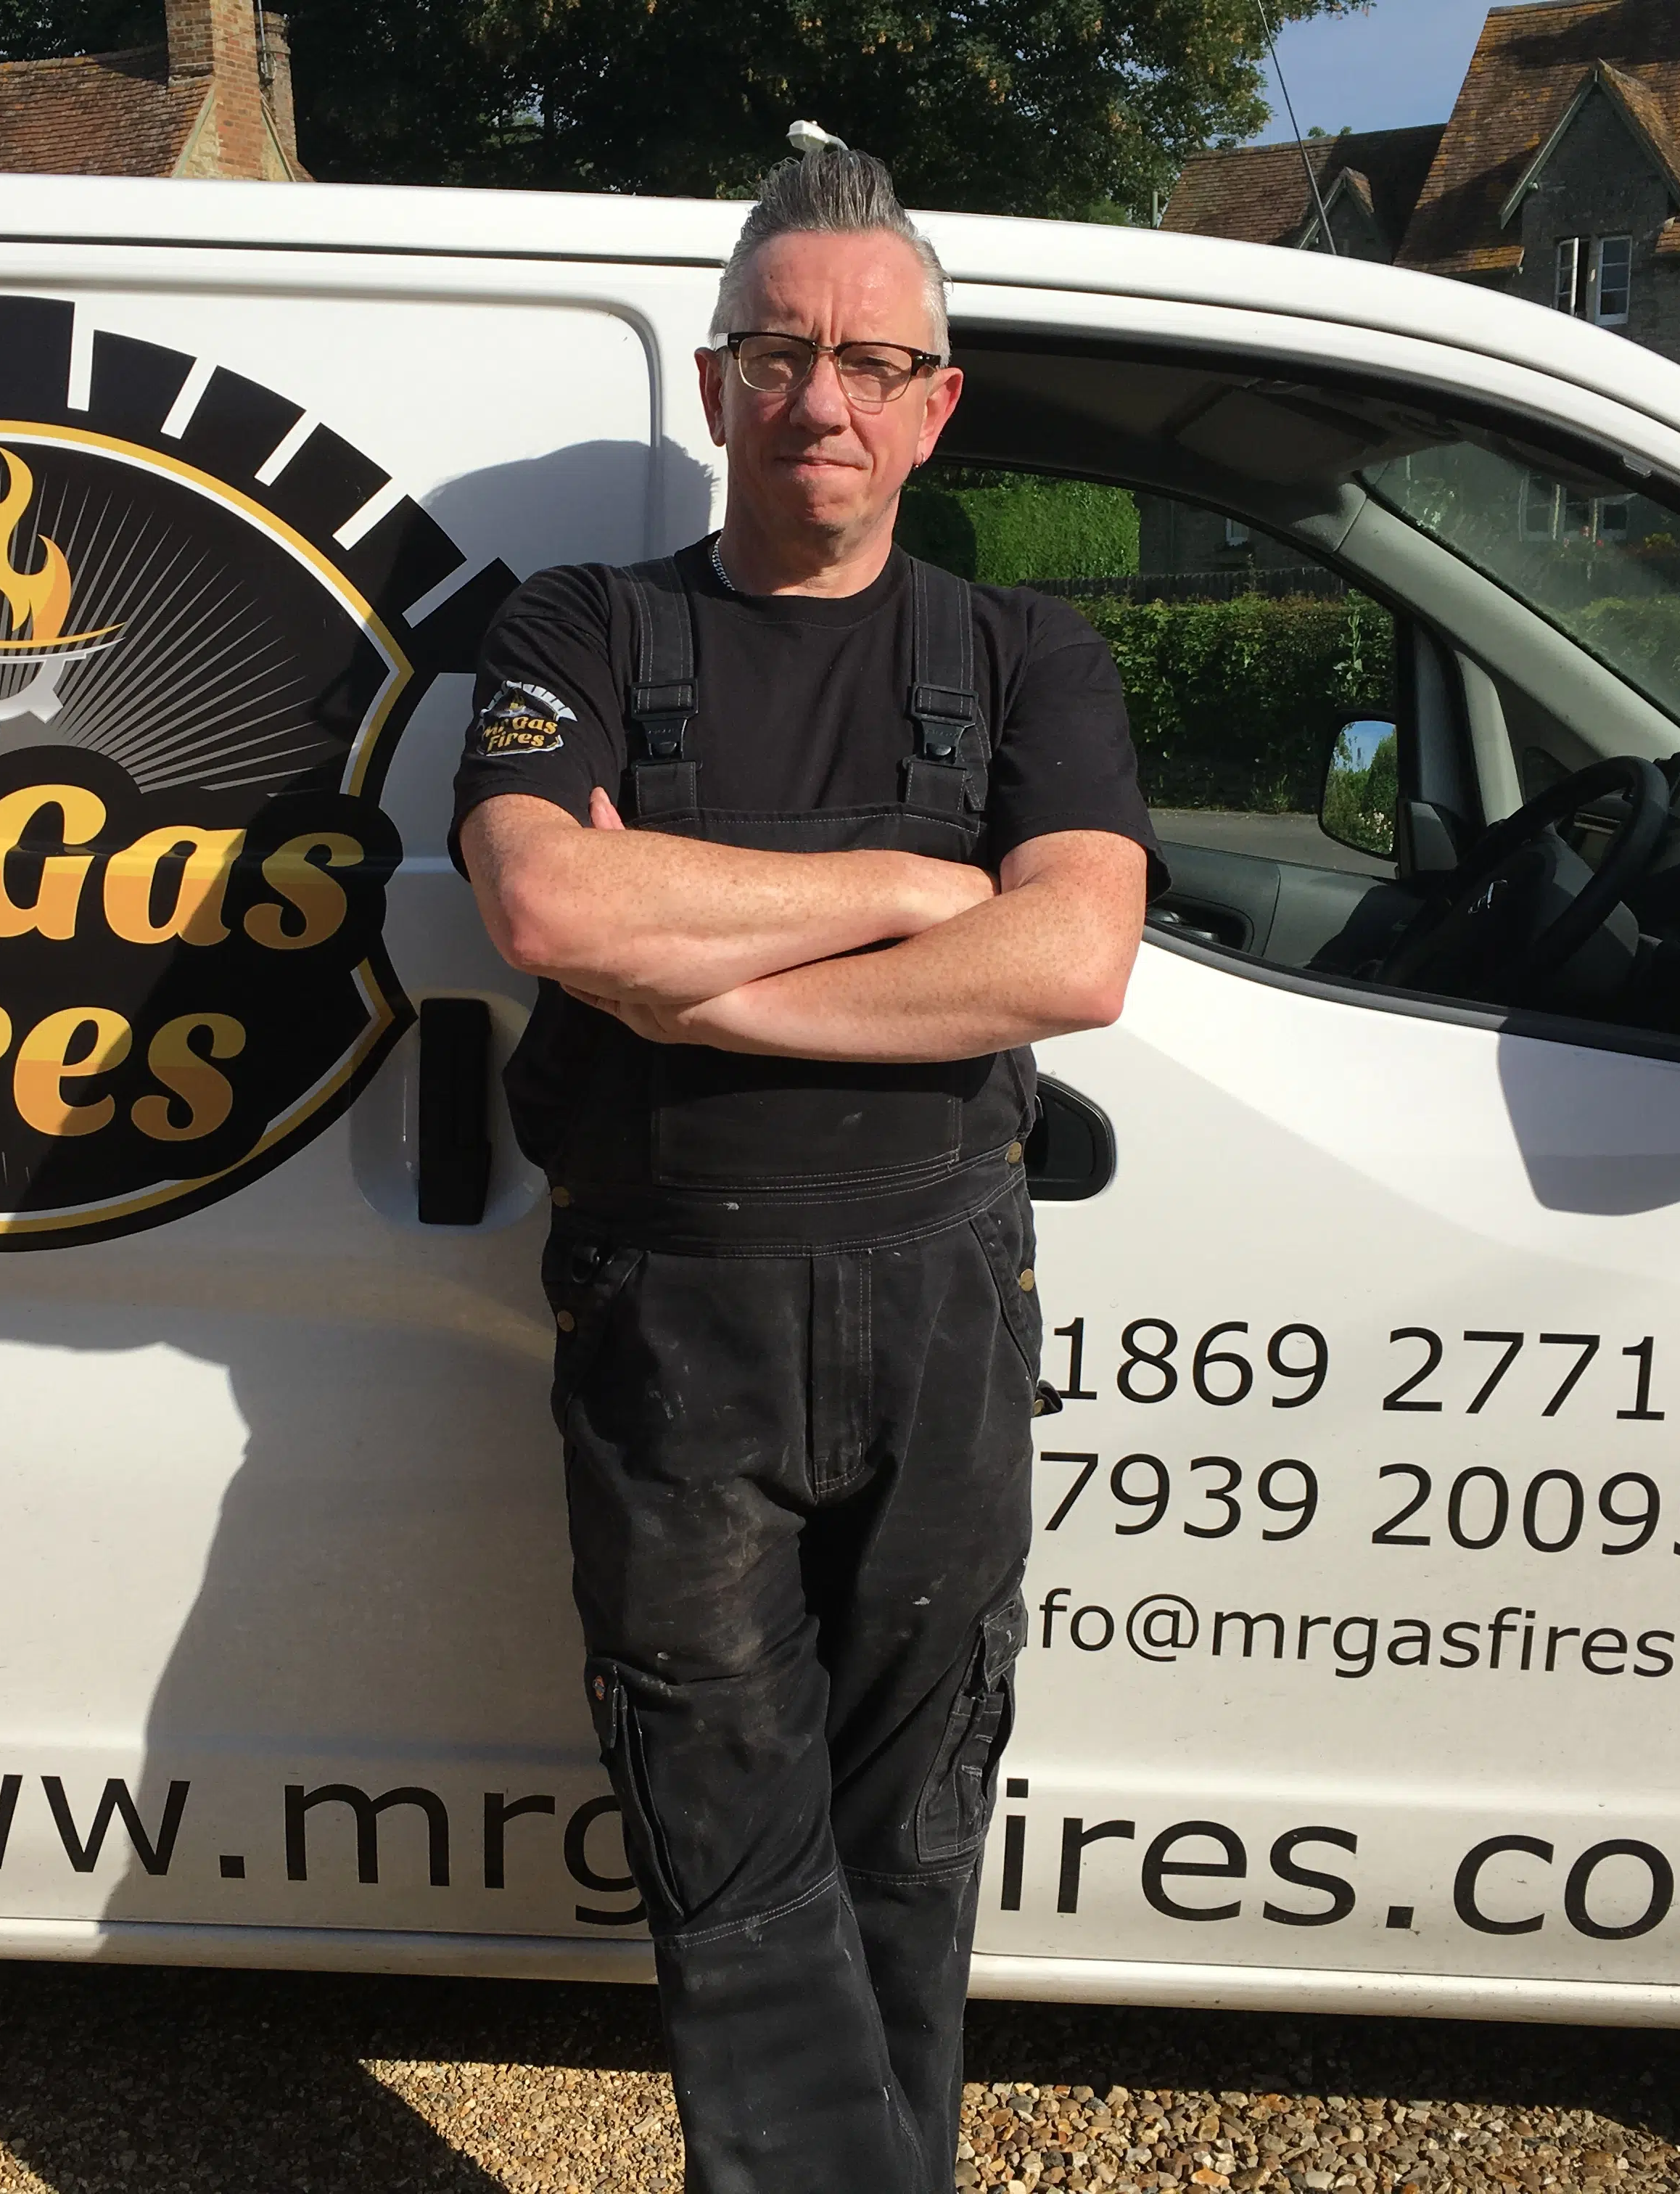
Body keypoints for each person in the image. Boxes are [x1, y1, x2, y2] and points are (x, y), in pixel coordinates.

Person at [453, 141, 1160, 2194]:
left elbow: (1075, 957)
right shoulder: (580, 628)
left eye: (871, 362)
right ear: (714, 387)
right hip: (673, 1319)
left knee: (913, 1833)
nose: (820, 400)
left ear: (938, 404)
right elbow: (549, 908)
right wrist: (906, 892)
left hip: (943, 1303)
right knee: (726, 1832)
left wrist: (714, 996)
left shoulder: (1027, 653)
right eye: (776, 355)